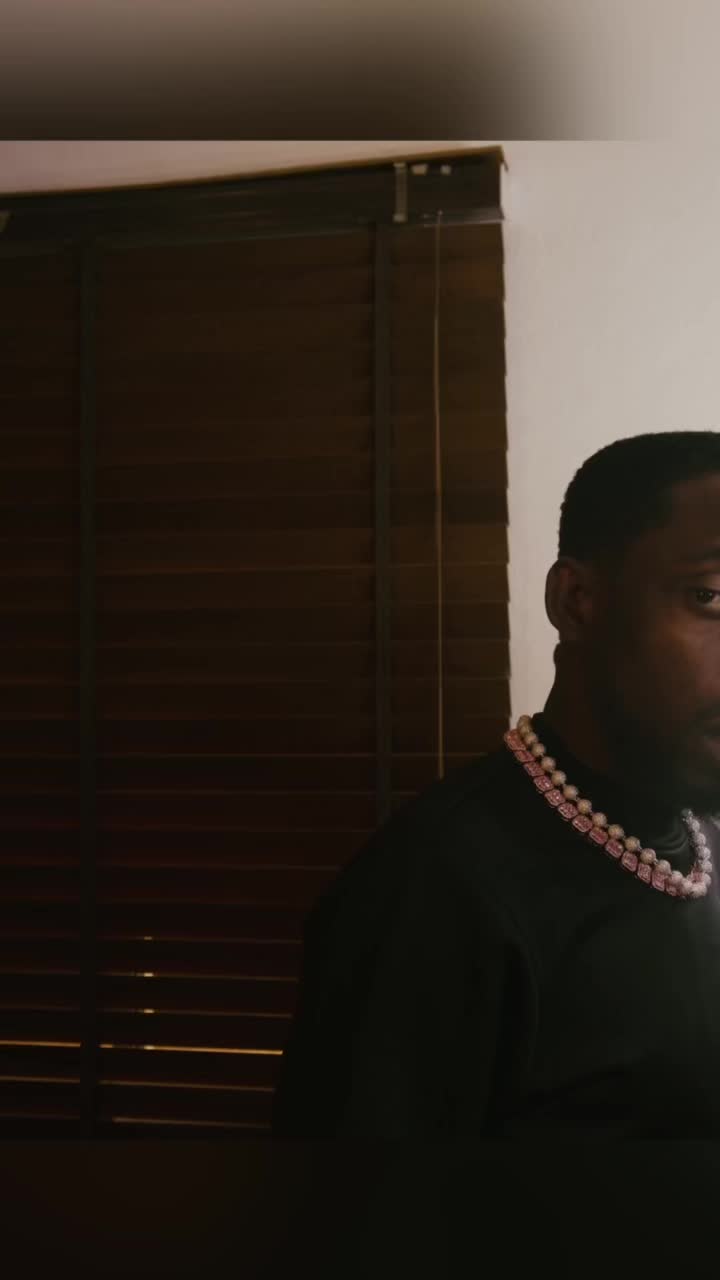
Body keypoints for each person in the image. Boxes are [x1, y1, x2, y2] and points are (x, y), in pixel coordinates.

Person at [270, 431, 720, 1139]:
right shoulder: (433, 896)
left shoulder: (703, 836)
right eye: (711, 596)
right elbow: (352, 1206)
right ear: (577, 600)